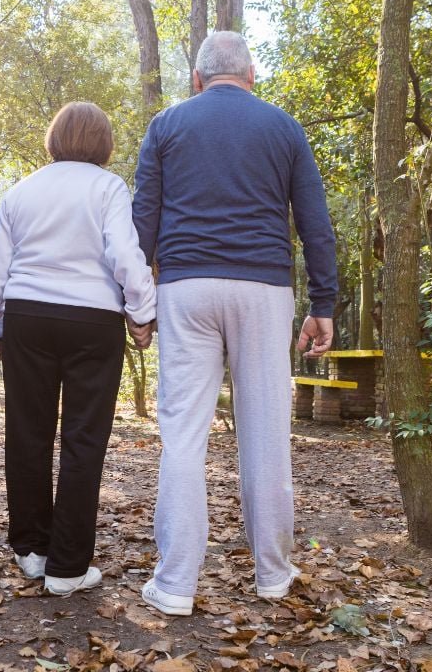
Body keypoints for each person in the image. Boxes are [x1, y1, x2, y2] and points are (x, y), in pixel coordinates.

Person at [132, 31, 337, 616]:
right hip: (264, 290)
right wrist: (324, 304)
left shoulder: (167, 125)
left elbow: (142, 219)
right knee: (267, 434)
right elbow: (315, 224)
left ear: (197, 80)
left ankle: (174, 585)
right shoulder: (284, 127)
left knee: (183, 437)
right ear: (251, 76)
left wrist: (137, 304)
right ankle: (273, 574)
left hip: (185, 288)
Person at [0, 101, 157, 596]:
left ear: (54, 139)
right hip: (92, 322)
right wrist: (142, 313)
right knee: (84, 439)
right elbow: (125, 252)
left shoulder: (21, 191)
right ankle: (68, 567)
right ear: (103, 144)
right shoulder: (108, 188)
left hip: (28, 319)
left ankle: (31, 550)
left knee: (27, 433)